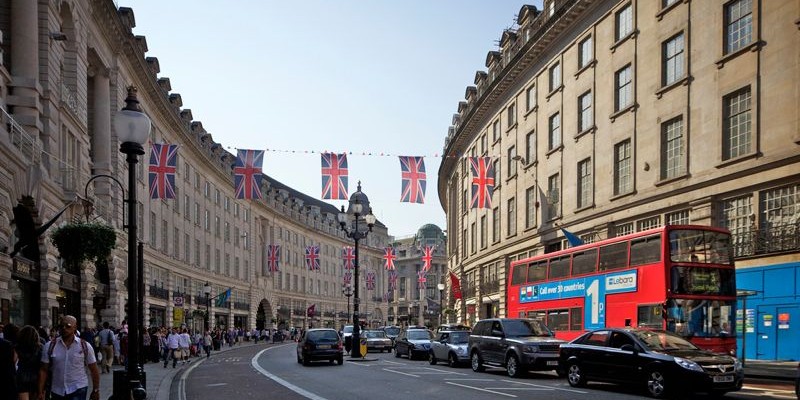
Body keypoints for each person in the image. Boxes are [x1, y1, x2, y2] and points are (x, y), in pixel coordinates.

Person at [37, 315, 100, 400]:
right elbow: (43, 370)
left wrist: (96, 390)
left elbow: (94, 369)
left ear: (75, 327)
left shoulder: (85, 346)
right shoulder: (50, 346)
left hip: (78, 388)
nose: (64, 328)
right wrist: (40, 391)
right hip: (57, 390)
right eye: (61, 326)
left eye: (68, 326)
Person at [16, 325, 43, 400]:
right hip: (36, 378)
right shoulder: (40, 348)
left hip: (21, 378)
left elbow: (13, 363)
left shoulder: (17, 348)